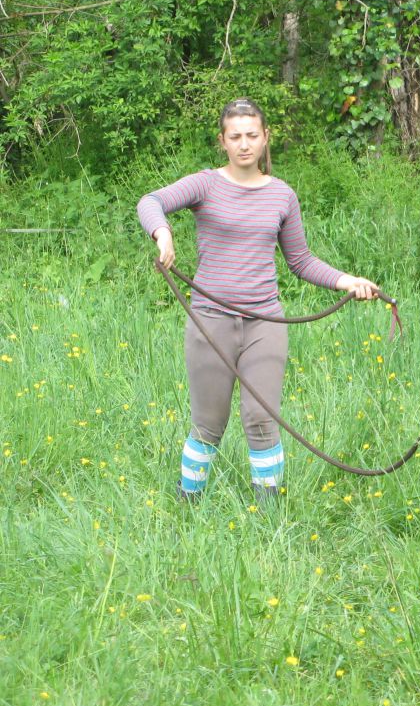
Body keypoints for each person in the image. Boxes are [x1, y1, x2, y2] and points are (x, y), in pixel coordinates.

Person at [137, 97, 379, 502]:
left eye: (252, 135)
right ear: (223, 141)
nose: (244, 144)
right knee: (208, 424)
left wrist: (347, 281)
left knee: (262, 419)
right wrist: (162, 233)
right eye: (235, 137)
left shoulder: (282, 195)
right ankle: (187, 503)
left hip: (265, 323)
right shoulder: (205, 184)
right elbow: (151, 202)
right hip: (210, 320)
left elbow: (300, 260)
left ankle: (267, 513)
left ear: (266, 137)